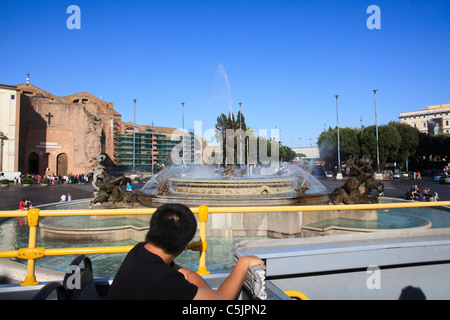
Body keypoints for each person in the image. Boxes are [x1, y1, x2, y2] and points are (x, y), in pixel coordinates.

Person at [107, 203, 264, 300]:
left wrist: (206, 294)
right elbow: (220, 300)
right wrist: (243, 263)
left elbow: (187, 275)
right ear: (185, 246)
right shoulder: (165, 282)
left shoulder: (139, 251)